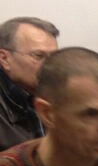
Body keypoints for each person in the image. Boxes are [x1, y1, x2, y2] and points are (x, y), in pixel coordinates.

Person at [0, 17, 59, 148]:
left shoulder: (60, 93)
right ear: (4, 58)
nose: (50, 65)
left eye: (54, 57)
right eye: (38, 56)